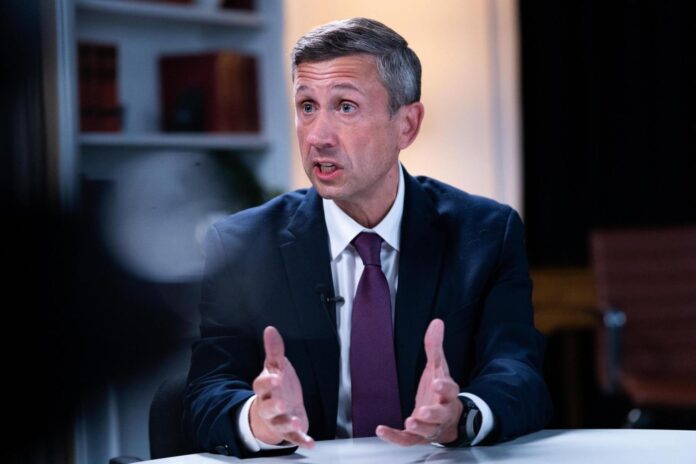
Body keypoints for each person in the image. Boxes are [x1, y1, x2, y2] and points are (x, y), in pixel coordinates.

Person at [183, 17, 552, 458]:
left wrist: (461, 415)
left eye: (345, 107)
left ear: (407, 125)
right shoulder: (241, 245)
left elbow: (519, 374)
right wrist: (258, 420)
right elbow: (207, 390)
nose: (318, 136)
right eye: (307, 106)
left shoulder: (485, 234)